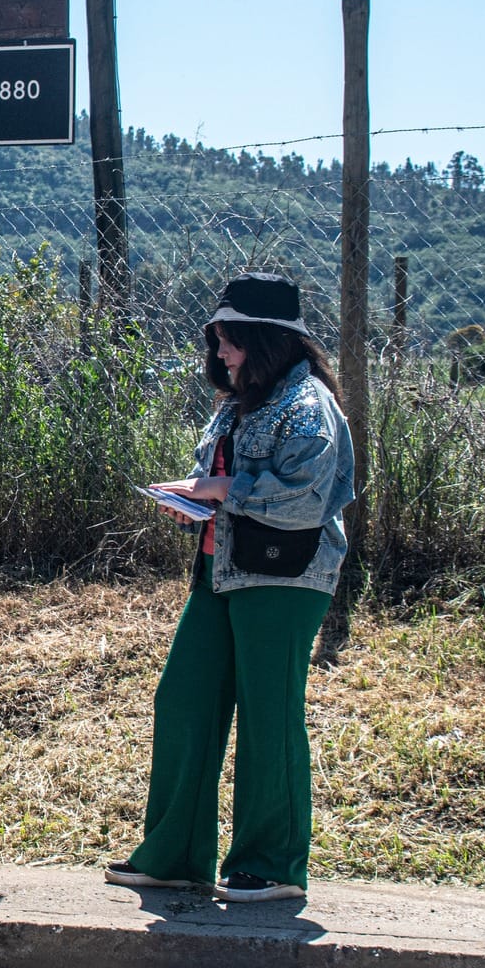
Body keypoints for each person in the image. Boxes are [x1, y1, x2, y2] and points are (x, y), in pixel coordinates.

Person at [107, 272, 355, 904]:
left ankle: (270, 866)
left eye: (229, 339)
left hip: (286, 575)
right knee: (185, 699)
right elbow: (211, 475)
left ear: (264, 339)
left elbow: (305, 499)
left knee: (269, 713)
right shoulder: (237, 403)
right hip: (220, 571)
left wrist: (223, 493)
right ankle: (175, 857)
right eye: (216, 339)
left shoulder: (308, 406)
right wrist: (190, 495)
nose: (218, 351)